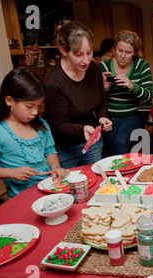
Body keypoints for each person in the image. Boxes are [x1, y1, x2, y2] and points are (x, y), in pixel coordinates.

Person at [0, 68, 69, 199]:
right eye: (29, 107)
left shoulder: (41, 125)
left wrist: (56, 167)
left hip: (50, 188)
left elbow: (50, 151)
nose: (35, 112)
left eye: (38, 106)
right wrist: (12, 172)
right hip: (21, 196)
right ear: (9, 100)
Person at [43, 21, 112, 169]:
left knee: (94, 181)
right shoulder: (54, 82)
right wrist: (82, 130)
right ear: (63, 50)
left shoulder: (93, 68)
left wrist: (102, 116)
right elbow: (58, 125)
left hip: (93, 141)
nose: (86, 60)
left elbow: (102, 100)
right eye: (79, 55)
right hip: (65, 148)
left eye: (89, 53)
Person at [99, 30, 153, 156]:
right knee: (109, 142)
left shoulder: (141, 66)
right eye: (120, 50)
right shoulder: (103, 66)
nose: (122, 56)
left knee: (120, 141)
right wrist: (104, 88)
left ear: (134, 52)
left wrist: (131, 85)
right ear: (115, 49)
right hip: (106, 117)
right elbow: (92, 100)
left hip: (131, 117)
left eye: (128, 52)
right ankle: (118, 171)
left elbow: (149, 96)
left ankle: (119, 172)